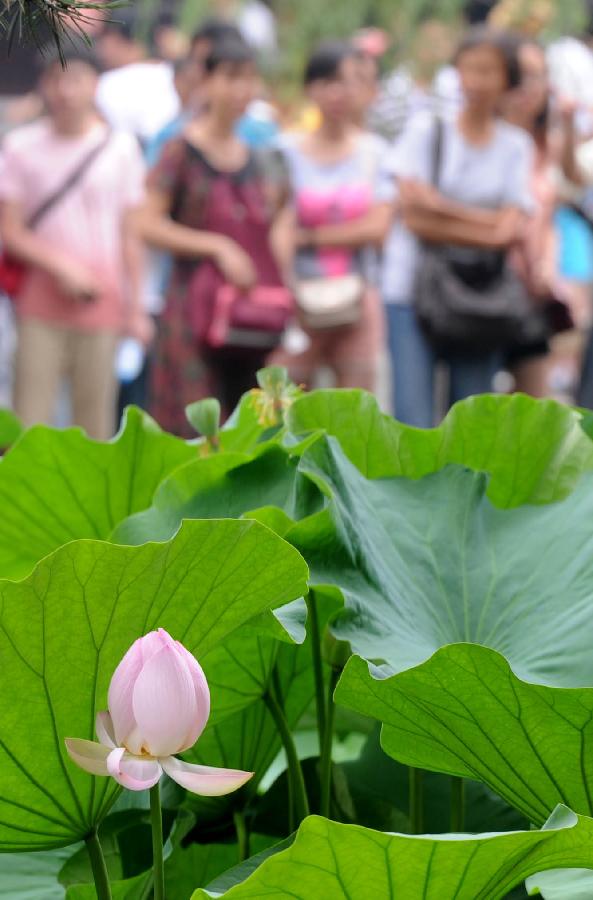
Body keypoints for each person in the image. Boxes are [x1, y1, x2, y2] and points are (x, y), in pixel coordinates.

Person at [135, 38, 293, 436]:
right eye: (231, 78)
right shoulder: (181, 150)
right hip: (192, 310)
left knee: (253, 429)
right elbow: (146, 223)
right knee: (198, 429)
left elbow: (274, 228)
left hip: (249, 314)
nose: (241, 90)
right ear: (205, 81)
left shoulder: (258, 157)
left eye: (249, 80)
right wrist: (217, 247)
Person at [383, 27, 534, 427]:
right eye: (470, 69)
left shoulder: (515, 145)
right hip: (413, 291)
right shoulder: (426, 132)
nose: (479, 81)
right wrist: (489, 221)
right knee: (411, 421)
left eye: (490, 71)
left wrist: (442, 208)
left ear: (507, 78)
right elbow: (414, 218)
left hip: (480, 298)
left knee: (471, 424)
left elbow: (509, 233)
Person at [0, 47, 150, 439]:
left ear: (95, 84)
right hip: (38, 308)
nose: (65, 91)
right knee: (27, 428)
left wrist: (136, 309)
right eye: (56, 79)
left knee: (95, 426)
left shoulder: (121, 149)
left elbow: (131, 234)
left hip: (103, 305)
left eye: (75, 79)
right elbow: (10, 230)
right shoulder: (21, 147)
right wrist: (60, 267)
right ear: (44, 85)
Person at [271, 41, 394, 392]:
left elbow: (378, 228)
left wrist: (308, 236)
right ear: (311, 87)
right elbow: (277, 225)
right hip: (296, 297)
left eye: (350, 82)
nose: (340, 92)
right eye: (330, 81)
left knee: (355, 412)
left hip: (359, 297)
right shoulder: (286, 151)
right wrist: (283, 287)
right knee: (283, 406)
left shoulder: (375, 153)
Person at [95, 11, 180, 148]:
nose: (100, 47)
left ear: (117, 40)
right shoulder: (174, 76)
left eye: (105, 39)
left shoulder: (107, 84)